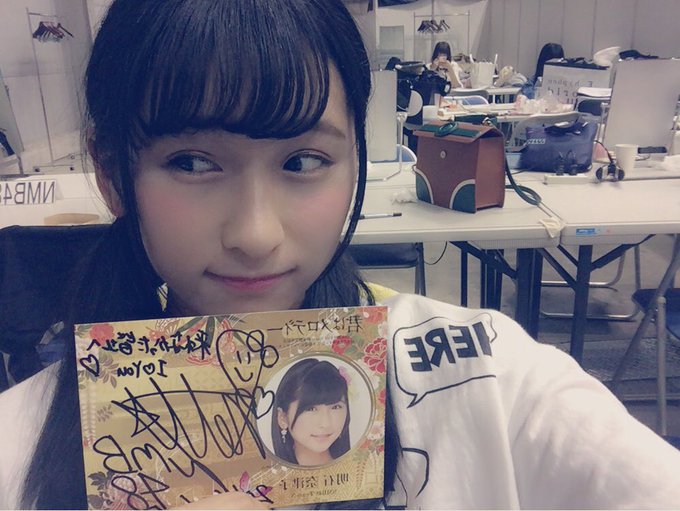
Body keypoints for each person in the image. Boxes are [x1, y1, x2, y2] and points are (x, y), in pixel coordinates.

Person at [0, 0, 679, 509]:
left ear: (357, 158)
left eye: (303, 160)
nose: (256, 234)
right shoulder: (18, 439)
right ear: (112, 174)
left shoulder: (485, 374)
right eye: (192, 162)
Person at [272, 358, 351, 466]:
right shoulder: (269, 474)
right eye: (311, 409)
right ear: (283, 418)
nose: (325, 424)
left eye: (335, 407)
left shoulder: (361, 470)